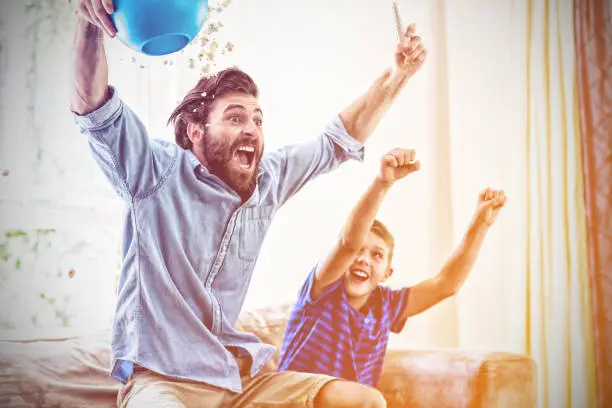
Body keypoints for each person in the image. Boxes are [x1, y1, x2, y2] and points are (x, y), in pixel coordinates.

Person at [70, 0, 427, 407]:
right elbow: (94, 108)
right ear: (196, 130)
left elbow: (337, 140)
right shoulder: (155, 173)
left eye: (258, 119)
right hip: (161, 383)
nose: (253, 130)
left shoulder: (268, 179)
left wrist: (399, 75)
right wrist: (88, 23)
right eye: (236, 117)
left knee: (363, 401)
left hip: (238, 383)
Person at [277, 148, 507, 390]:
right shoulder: (322, 289)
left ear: (388, 273)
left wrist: (482, 222)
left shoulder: (386, 305)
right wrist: (382, 183)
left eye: (376, 255)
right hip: (298, 398)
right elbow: (348, 243)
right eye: (358, 251)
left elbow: (446, 284)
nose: (363, 259)